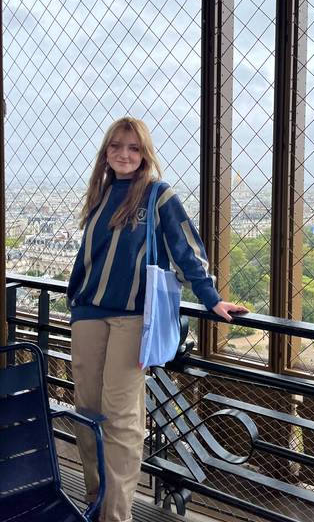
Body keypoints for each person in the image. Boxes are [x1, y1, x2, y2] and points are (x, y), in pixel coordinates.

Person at [67, 117, 247, 522]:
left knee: (121, 418)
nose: (124, 154)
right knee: (85, 411)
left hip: (133, 319)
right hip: (90, 315)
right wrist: (75, 298)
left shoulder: (158, 196)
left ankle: (115, 515)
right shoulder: (101, 192)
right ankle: (96, 499)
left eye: (133, 148)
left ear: (144, 153)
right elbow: (88, 253)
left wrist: (212, 299)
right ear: (106, 152)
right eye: (116, 146)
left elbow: (186, 249)